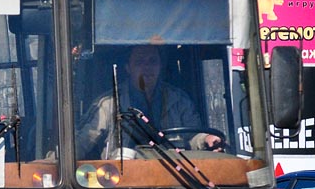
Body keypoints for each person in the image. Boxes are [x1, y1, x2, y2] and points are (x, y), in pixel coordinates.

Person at [77, 45, 223, 159]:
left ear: (160, 66)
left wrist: (206, 139)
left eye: (152, 61)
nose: (147, 67)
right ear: (128, 67)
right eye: (139, 62)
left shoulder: (179, 100)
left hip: (175, 179)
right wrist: (55, 166)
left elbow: (193, 136)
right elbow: (82, 141)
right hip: (122, 184)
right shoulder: (108, 103)